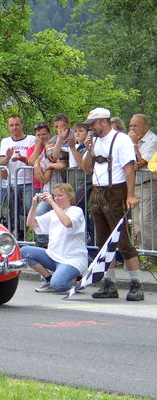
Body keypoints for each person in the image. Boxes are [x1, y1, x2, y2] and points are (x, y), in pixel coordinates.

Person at [81, 107, 143, 301]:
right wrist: (88, 150)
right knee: (103, 242)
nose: (90, 127)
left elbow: (129, 169)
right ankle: (110, 284)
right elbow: (86, 169)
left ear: (104, 122)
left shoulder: (121, 140)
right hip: (98, 193)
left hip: (116, 192)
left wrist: (130, 195)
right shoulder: (96, 141)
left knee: (123, 241)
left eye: (93, 123)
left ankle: (136, 284)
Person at [21, 184, 88, 292]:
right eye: (55, 196)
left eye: (60, 195)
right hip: (53, 255)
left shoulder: (76, 211)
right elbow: (30, 223)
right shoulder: (53, 213)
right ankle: (48, 279)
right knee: (25, 251)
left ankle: (75, 280)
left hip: (73, 259)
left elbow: (67, 222)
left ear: (70, 197)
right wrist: (34, 206)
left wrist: (52, 203)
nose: (56, 198)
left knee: (58, 284)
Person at [0, 115, 36, 238]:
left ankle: (27, 230)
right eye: (11, 125)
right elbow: (1, 162)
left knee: (28, 207)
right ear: (8, 127)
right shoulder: (5, 141)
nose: (14, 127)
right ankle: (17, 233)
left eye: (17, 124)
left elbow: (35, 158)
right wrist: (8, 157)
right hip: (13, 182)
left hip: (29, 181)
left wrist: (23, 159)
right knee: (13, 209)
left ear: (22, 125)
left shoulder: (31, 139)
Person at [128, 114, 157, 251]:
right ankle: (140, 251)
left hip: (148, 185)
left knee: (146, 221)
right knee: (137, 222)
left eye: (136, 125)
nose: (132, 129)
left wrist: (134, 145)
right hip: (134, 186)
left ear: (146, 126)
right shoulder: (129, 140)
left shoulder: (153, 140)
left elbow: (140, 163)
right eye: (131, 125)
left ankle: (151, 253)